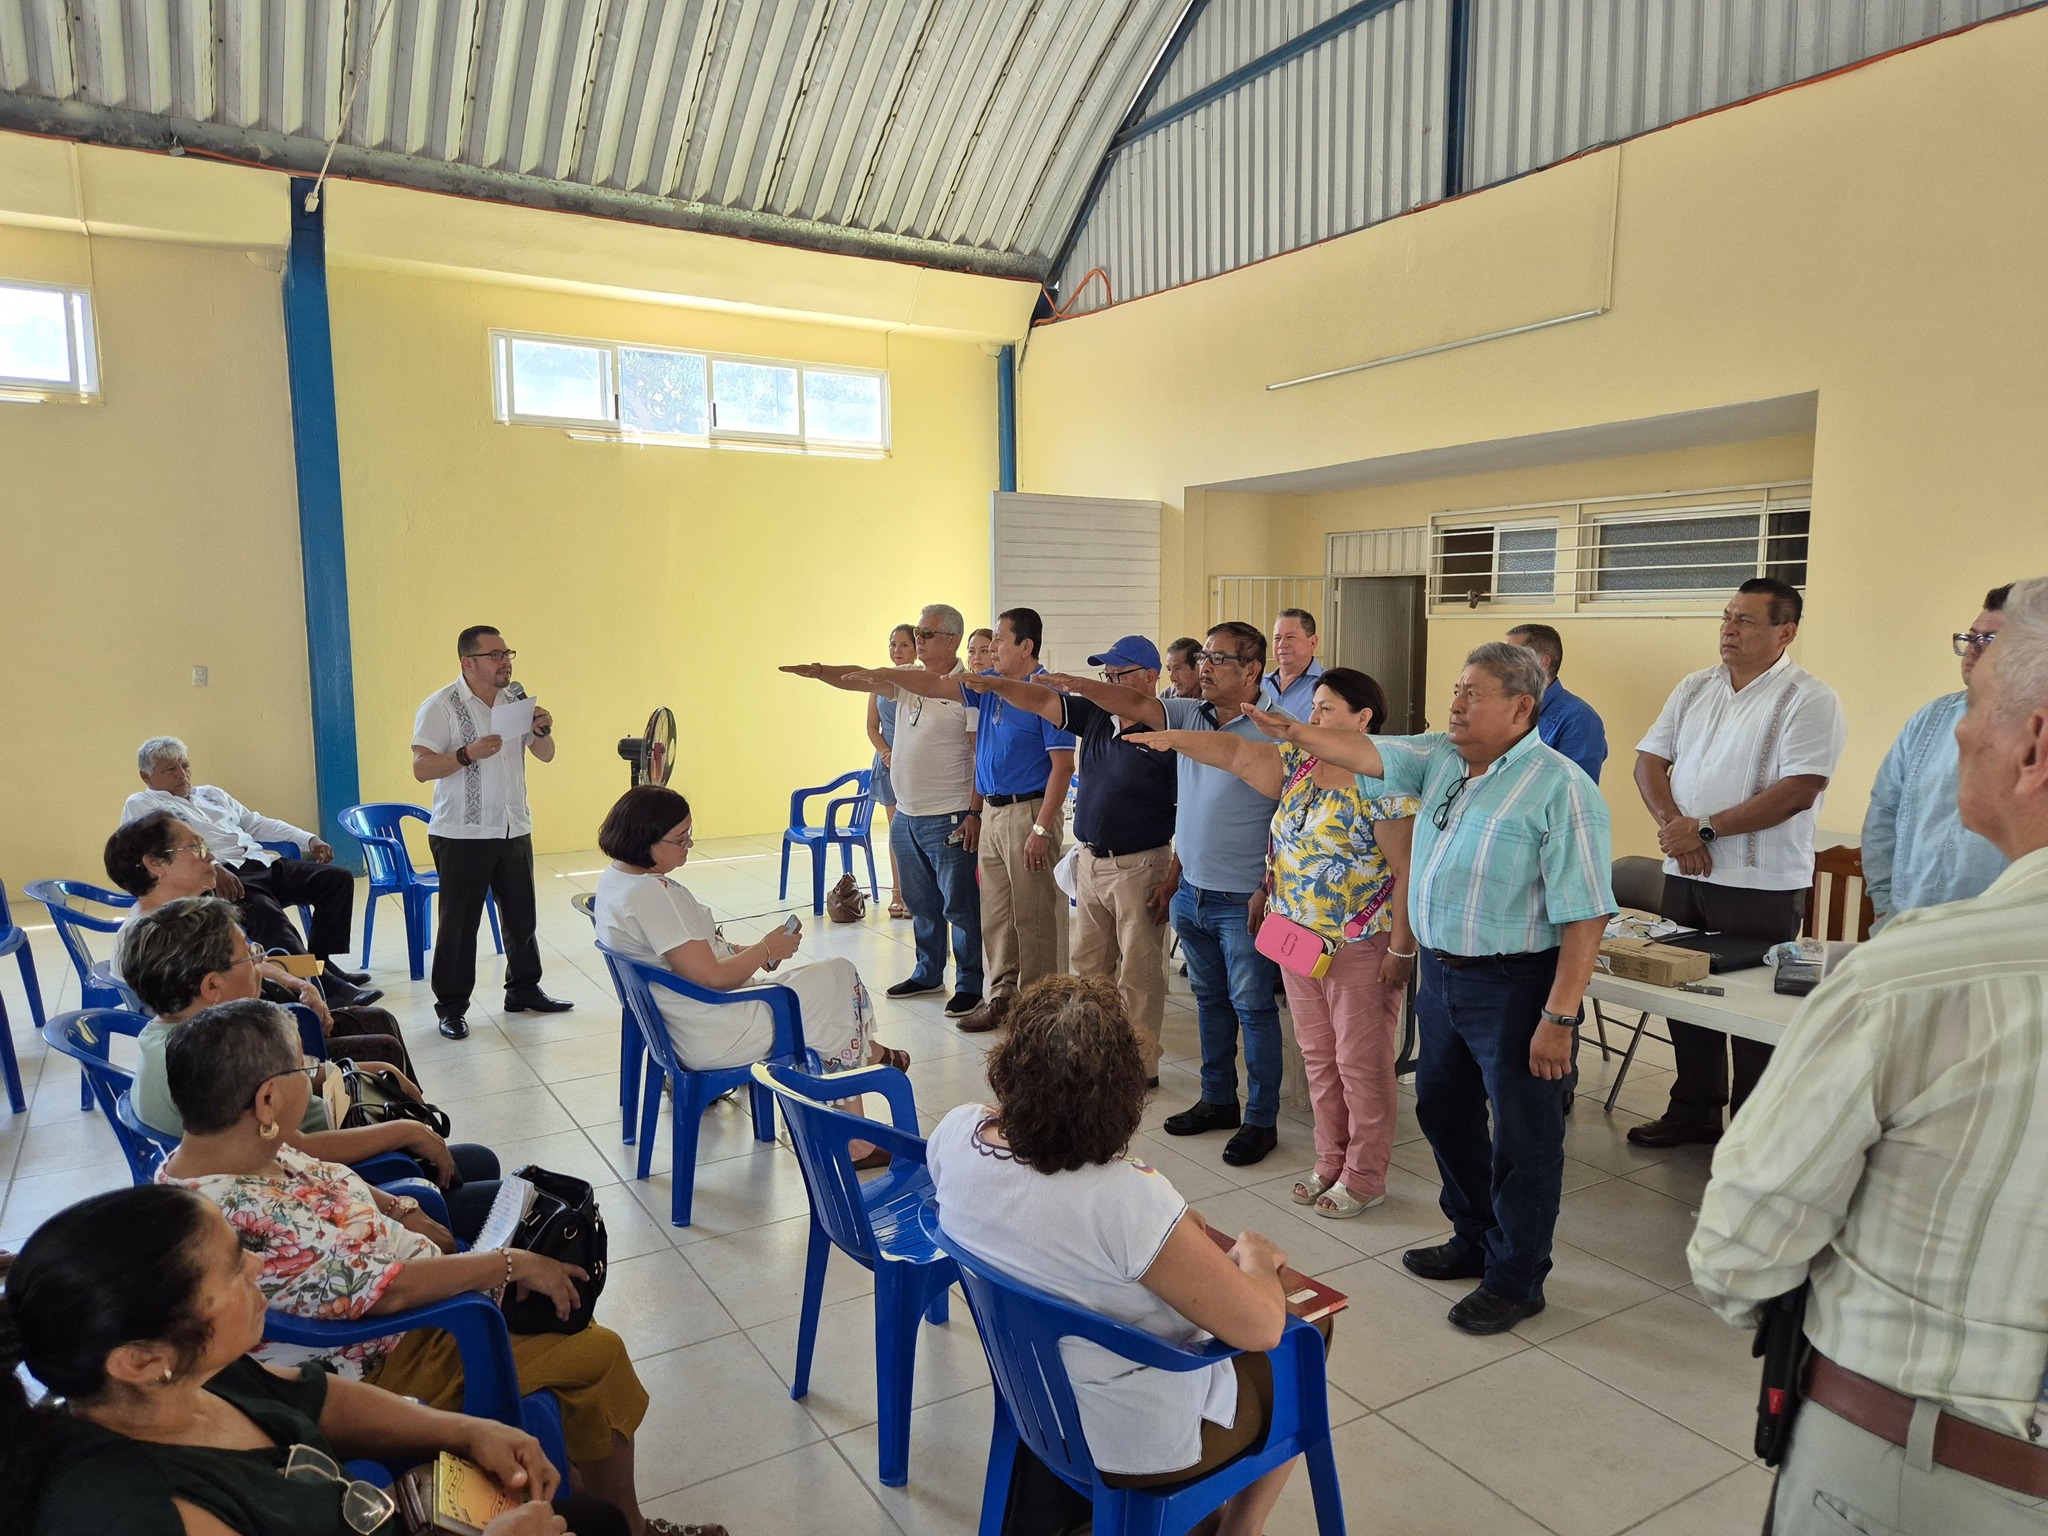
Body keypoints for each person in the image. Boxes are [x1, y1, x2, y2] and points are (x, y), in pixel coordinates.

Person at [1687, 574, 2048, 1536]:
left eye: (1981, 702)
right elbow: (1884, 823)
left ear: (2034, 746)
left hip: (1921, 1472)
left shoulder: (1912, 982)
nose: (1961, 728)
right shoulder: (1913, 960)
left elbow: (1740, 1254)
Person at [154, 1000, 690, 1536]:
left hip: (415, 1305)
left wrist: (399, 1207)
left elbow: (324, 1177)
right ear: (267, 1098)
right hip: (388, 1351)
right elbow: (386, 1292)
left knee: (564, 1316)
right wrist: (508, 1263)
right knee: (597, 1351)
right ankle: (633, 1527)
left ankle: (581, 1474)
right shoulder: (243, 1216)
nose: (314, 1077)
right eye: (304, 1068)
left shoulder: (239, 1149)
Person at [1252, 641, 1614, 1334]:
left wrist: (1560, 1016)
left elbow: (1586, 913)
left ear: (1521, 707)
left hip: (1515, 983)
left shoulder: (1561, 788)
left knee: (1524, 1136)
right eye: (1456, 690)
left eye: (1473, 694)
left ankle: (1516, 1278)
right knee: (1446, 1112)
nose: (1456, 704)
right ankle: (1472, 1236)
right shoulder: (1442, 757)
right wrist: (1294, 729)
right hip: (1444, 973)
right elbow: (1365, 751)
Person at [1, 1185, 640, 1536]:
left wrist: (468, 1430)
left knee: (596, 1521)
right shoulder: (133, 1512)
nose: (258, 1265)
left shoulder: (189, 1379)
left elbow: (318, 1396)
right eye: (232, 1268)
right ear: (141, 1360)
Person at [927, 975, 1324, 1536]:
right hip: (1128, 1439)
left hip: (1035, 1403)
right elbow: (1259, 1328)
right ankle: (1242, 1527)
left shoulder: (957, 1132)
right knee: (1307, 1328)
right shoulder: (1123, 1196)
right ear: (1123, 1093)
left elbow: (1028, 1204)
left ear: (1008, 1067)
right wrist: (1257, 1258)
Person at [1138, 668, 1420, 1217]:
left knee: (1360, 1064)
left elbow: (1407, 871)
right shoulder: (1301, 764)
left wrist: (1401, 950)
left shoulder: (1383, 781)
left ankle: (1365, 1175)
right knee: (1318, 1057)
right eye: (1313, 707)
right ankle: (1329, 1159)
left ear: (1363, 719)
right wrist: (1173, 738)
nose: (1313, 717)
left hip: (1359, 945)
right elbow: (1236, 753)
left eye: (1327, 708)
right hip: (1298, 939)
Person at [1036, 622, 1286, 1167]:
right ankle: (1218, 1099)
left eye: (1219, 659)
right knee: (1209, 1002)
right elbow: (1131, 702)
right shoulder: (1189, 712)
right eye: (1204, 656)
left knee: (1252, 1008)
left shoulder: (1277, 729)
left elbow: (1286, 823)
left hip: (1242, 896)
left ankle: (1261, 1117)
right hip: (1193, 889)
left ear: (1252, 670)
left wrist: (1267, 886)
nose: (1205, 667)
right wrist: (1078, 685)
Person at [120, 896, 503, 1235]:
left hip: (322, 1156)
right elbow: (296, 1151)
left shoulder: (169, 1036)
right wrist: (406, 1131)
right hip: (343, 1177)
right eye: (250, 955)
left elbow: (289, 1093)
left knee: (478, 1161)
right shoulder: (208, 1059)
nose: (259, 963)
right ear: (212, 988)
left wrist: (352, 1070)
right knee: (496, 1189)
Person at [1628, 579, 1847, 1148]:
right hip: (1687, 874)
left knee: (1755, 1010)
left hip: (1761, 883)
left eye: (1745, 620)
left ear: (1785, 632)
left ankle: (1752, 1132)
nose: (1729, 629)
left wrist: (1703, 829)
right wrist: (1676, 829)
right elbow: (1649, 761)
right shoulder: (1695, 686)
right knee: (1684, 992)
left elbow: (1798, 790)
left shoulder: (1809, 698)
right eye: (1727, 617)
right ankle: (1694, 1111)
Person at [591, 785, 908, 1159]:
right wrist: (766, 949)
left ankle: (867, 1070)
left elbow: (689, 954)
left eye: (689, 833)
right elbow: (711, 977)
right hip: (713, 1028)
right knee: (838, 979)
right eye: (679, 838)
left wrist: (754, 954)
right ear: (644, 839)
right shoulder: (650, 897)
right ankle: (858, 1132)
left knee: (829, 986)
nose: (689, 844)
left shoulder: (618, 880)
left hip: (684, 1017)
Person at [958, 635, 1178, 1081]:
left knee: (1139, 974)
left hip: (1140, 866)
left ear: (1150, 677)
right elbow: (1041, 701)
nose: (1108, 683)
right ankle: (1097, 1055)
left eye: (1118, 675)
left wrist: (1174, 875)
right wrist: (997, 684)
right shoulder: (1095, 715)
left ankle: (1140, 1066)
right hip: (1091, 862)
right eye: (1105, 675)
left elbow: (1187, 805)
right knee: (1090, 971)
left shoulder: (1166, 725)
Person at [859, 608, 1076, 1034]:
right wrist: (867, 675)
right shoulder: (990, 687)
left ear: (1026, 646)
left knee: (1033, 918)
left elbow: (1063, 767)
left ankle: (1040, 1009)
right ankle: (1002, 998)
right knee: (996, 916)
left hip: (1027, 812)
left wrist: (1041, 827)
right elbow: (934, 685)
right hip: (993, 811)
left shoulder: (1046, 692)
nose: (990, 648)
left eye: (999, 640)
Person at [782, 604, 983, 1018]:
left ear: (951, 640)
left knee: (960, 907)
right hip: (906, 815)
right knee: (921, 903)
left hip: (948, 814)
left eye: (926, 634)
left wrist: (973, 813)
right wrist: (821, 671)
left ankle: (970, 984)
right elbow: (862, 677)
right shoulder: (907, 682)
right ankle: (928, 972)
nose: (918, 640)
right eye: (917, 633)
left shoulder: (966, 688)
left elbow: (981, 756)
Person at [105, 812, 416, 1080]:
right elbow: (213, 1029)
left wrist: (298, 983)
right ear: (155, 864)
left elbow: (242, 962)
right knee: (383, 1048)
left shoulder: (187, 914)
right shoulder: (158, 939)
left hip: (260, 1028)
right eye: (196, 847)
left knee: (380, 1020)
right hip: (244, 1058)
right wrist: (295, 1023)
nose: (211, 856)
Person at [123, 737, 376, 1005]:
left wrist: (307, 839)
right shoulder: (142, 804)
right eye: (171, 769)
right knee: (268, 915)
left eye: (185, 766)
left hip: (260, 862)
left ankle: (321, 964)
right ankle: (321, 985)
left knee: (336, 880)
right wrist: (213, 867)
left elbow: (255, 823)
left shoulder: (211, 794)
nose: (182, 774)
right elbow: (160, 852)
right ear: (146, 776)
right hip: (222, 876)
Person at [412, 626, 573, 1040]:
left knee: (521, 916)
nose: (505, 662)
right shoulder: (441, 706)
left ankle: (523, 989)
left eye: (507, 653)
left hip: (512, 825)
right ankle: (451, 1007)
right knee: (459, 925)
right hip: (462, 832)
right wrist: (466, 754)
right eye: (495, 655)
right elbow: (421, 767)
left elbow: (547, 755)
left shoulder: (515, 701)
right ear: (468, 662)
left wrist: (542, 730)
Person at [1861, 583, 2013, 924]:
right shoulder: (1930, 720)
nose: (1972, 650)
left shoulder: (2035, 733)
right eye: (1970, 637)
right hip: (1910, 923)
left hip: (1999, 933)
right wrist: (1885, 905)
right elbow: (1883, 812)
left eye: (1989, 640)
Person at [1506, 623, 1608, 783]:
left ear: (1542, 662)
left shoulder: (1580, 719)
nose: (1500, 665)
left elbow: (1573, 788)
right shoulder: (1502, 708)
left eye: (1511, 657)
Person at [867, 622, 918, 918]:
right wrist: (886, 752)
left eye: (903, 645)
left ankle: (918, 894)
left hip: (916, 765)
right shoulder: (879, 681)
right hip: (887, 765)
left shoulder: (923, 681)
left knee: (916, 832)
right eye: (892, 644)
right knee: (897, 832)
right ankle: (898, 893)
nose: (896, 650)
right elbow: (871, 727)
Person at [1259, 608, 1325, 719]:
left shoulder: (1329, 686)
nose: (1282, 644)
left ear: (1313, 642)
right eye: (1277, 638)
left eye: (1290, 637)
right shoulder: (1259, 685)